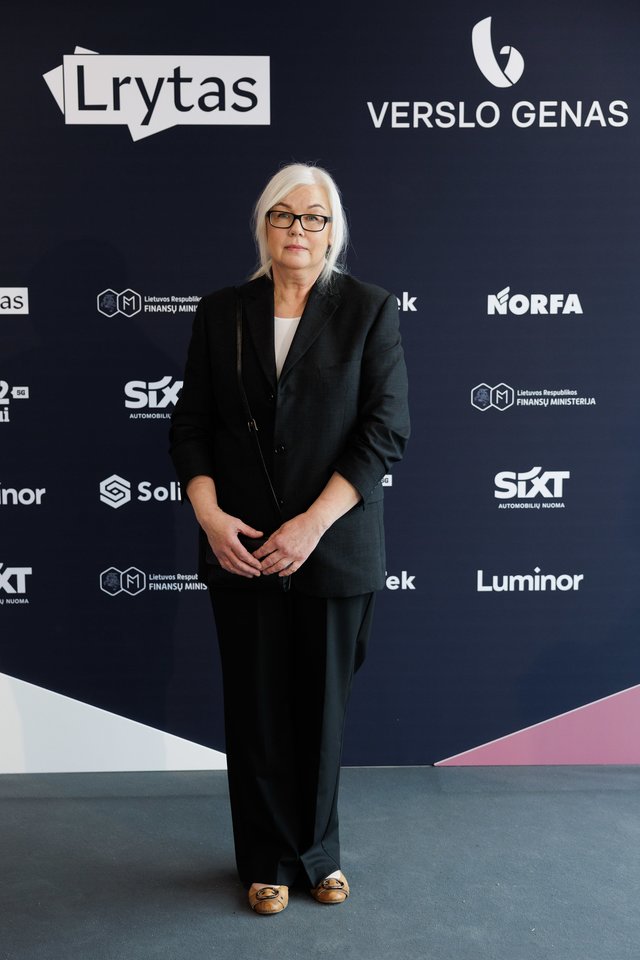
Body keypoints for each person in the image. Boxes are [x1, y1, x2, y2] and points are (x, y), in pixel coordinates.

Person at [169, 162, 410, 915]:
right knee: (257, 710)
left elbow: (385, 430)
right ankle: (266, 860)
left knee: (320, 712)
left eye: (312, 218)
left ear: (332, 231)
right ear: (263, 225)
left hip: (333, 545)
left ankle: (318, 856)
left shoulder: (368, 309)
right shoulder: (222, 312)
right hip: (240, 547)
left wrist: (312, 523)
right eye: (283, 215)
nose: (297, 230)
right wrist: (209, 516)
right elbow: (191, 426)